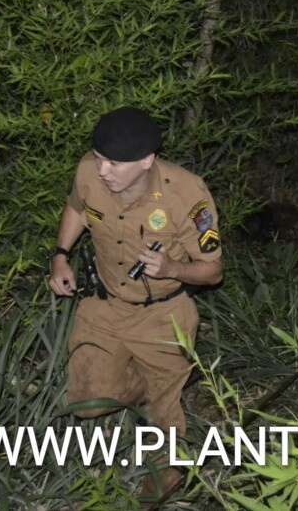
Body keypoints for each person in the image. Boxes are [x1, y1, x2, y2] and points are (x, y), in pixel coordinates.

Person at [47, 106, 223, 505]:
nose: (103, 170)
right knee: (86, 403)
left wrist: (173, 268)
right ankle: (153, 383)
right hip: (106, 305)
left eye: (114, 163)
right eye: (98, 157)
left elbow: (213, 271)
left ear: (147, 161)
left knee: (165, 413)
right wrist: (60, 256)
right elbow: (77, 208)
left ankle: (165, 475)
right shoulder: (89, 172)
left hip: (163, 314)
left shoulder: (187, 196)